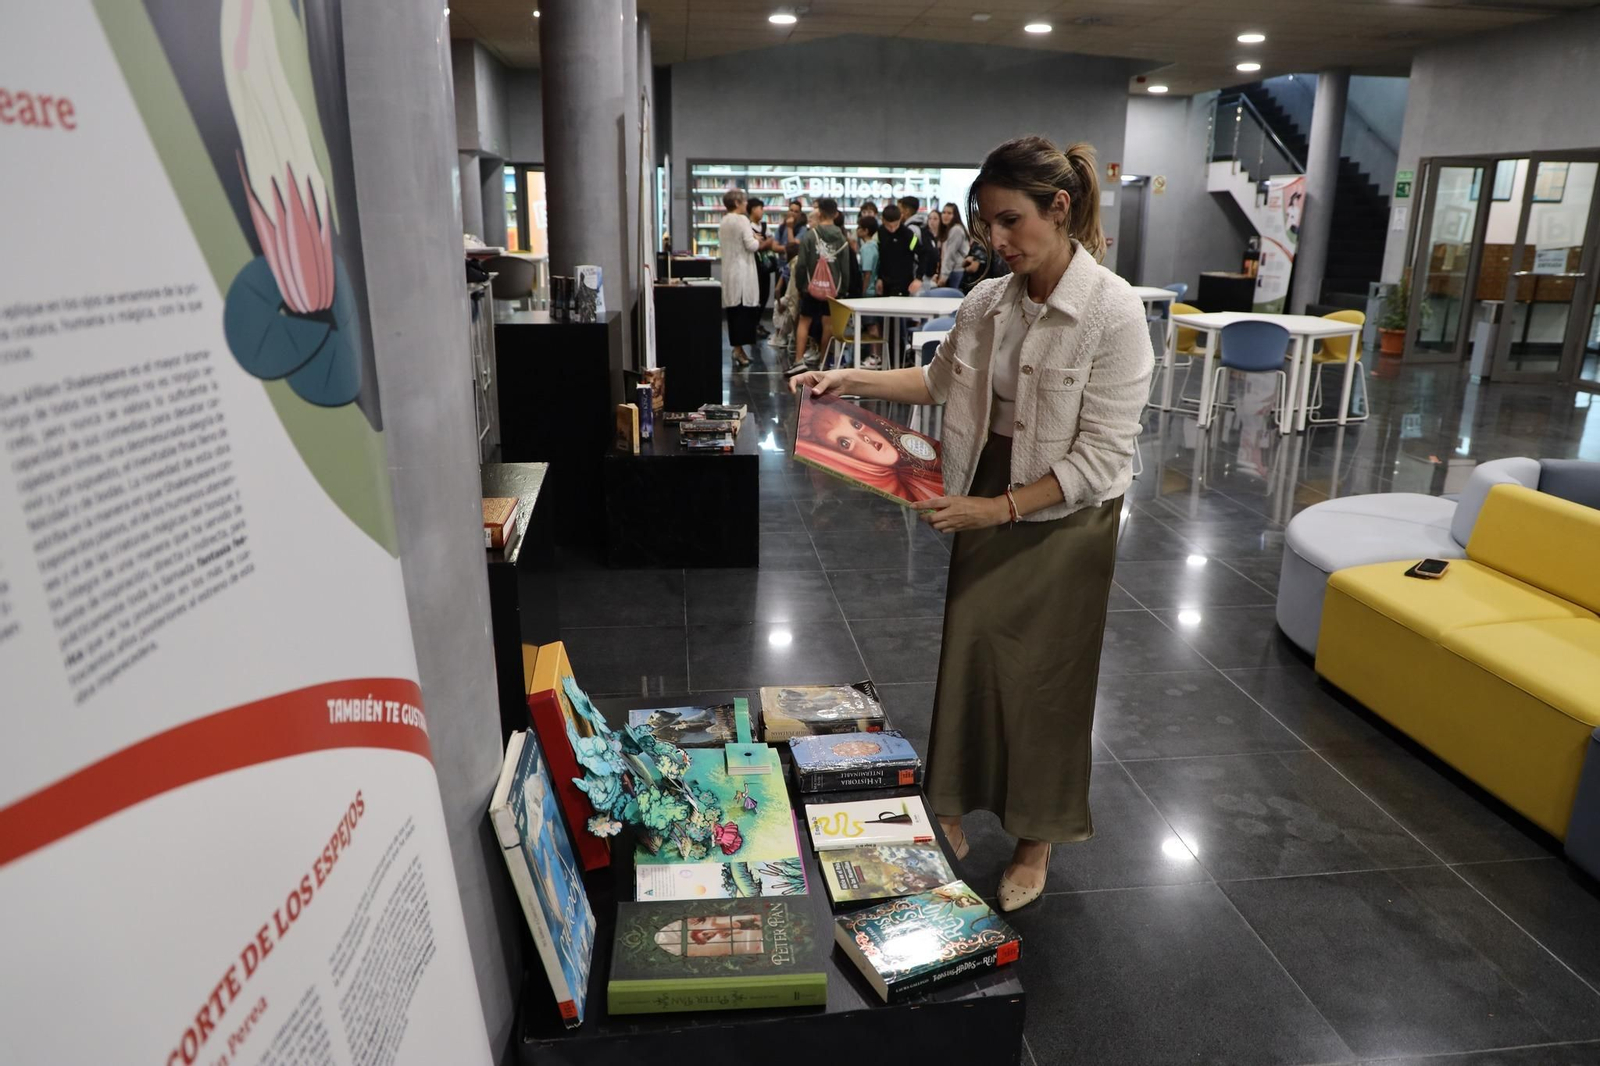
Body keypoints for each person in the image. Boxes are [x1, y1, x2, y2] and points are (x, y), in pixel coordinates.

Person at [789, 137, 1153, 912]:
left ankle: (1036, 834)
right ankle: (950, 806)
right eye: (987, 223)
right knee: (971, 650)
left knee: (1048, 677)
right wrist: (848, 378)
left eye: (1010, 220)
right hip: (990, 484)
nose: (997, 239)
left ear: (1060, 208)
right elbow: (939, 380)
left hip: (1066, 514)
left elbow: (1100, 458)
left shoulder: (1112, 310)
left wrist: (997, 508)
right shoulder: (990, 301)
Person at [785, 198, 853, 378]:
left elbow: (801, 265)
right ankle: (823, 363)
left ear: (819, 213)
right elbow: (845, 268)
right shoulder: (843, 239)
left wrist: (800, 286)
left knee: (804, 321)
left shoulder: (810, 236)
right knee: (827, 324)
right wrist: (843, 289)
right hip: (833, 289)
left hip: (811, 288)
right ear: (836, 214)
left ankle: (799, 361)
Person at [717, 188, 763, 368]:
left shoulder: (724, 221)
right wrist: (757, 239)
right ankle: (739, 350)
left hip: (730, 272)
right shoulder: (742, 220)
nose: (746, 205)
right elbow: (751, 246)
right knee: (744, 314)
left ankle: (738, 349)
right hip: (743, 273)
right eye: (744, 201)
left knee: (733, 313)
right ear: (736, 203)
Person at [875, 204, 918, 298]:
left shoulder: (908, 235)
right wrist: (880, 278)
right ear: (883, 220)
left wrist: (919, 278)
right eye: (889, 226)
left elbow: (923, 254)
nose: (892, 229)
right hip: (885, 282)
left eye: (896, 225)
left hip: (903, 282)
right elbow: (882, 257)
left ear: (900, 218)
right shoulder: (880, 232)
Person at [748, 197, 775, 337]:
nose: (762, 211)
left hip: (765, 266)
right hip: (753, 266)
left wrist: (762, 244)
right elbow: (757, 244)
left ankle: (757, 323)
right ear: (753, 209)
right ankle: (752, 325)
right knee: (755, 296)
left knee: (765, 294)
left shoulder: (764, 226)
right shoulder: (747, 227)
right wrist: (764, 244)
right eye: (760, 208)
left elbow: (771, 240)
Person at [938, 202, 970, 290]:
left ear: (955, 215)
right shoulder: (949, 230)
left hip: (956, 270)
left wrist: (944, 276)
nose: (945, 215)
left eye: (949, 213)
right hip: (952, 270)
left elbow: (950, 254)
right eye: (944, 212)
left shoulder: (956, 229)